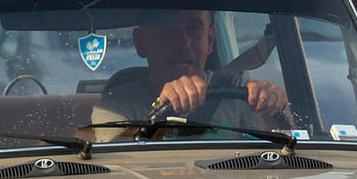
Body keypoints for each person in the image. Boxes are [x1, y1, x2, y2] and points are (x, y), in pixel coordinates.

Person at [91, 10, 288, 141]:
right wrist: (160, 108)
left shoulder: (238, 87)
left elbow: (276, 159)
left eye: (192, 29)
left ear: (209, 40)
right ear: (141, 42)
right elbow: (118, 166)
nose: (183, 42)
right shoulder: (118, 103)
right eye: (167, 30)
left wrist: (269, 109)